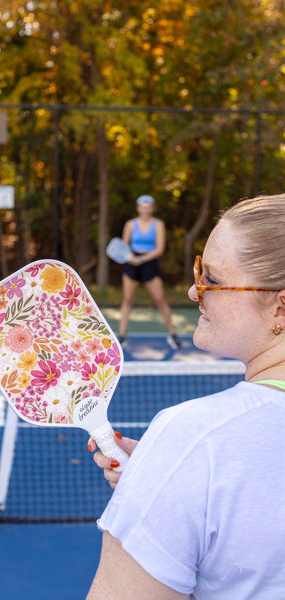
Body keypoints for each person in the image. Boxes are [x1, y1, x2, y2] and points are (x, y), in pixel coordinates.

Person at [87, 194, 285, 599]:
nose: (196, 293)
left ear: (281, 309)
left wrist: (177, 465)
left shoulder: (194, 437)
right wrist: (168, 475)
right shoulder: (191, 447)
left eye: (212, 279)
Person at [118, 194, 181, 350]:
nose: (145, 209)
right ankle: (121, 337)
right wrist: (131, 258)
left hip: (149, 264)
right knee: (127, 300)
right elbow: (123, 247)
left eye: (148, 207)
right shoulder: (130, 224)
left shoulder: (158, 224)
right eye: (143, 206)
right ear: (138, 208)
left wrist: (142, 259)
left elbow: (159, 249)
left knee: (160, 299)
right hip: (132, 263)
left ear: (152, 209)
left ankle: (173, 335)